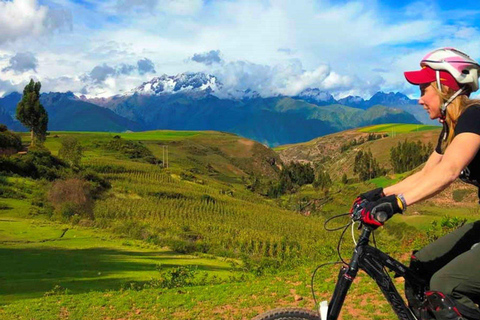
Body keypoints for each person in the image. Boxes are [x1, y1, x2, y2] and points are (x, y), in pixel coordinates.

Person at [352, 48, 480, 320]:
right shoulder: (451, 127)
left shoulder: (474, 116)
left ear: (445, 87)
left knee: (446, 286)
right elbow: (427, 173)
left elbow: (449, 170)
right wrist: (380, 194)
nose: (420, 99)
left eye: (424, 89)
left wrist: (397, 203)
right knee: (419, 268)